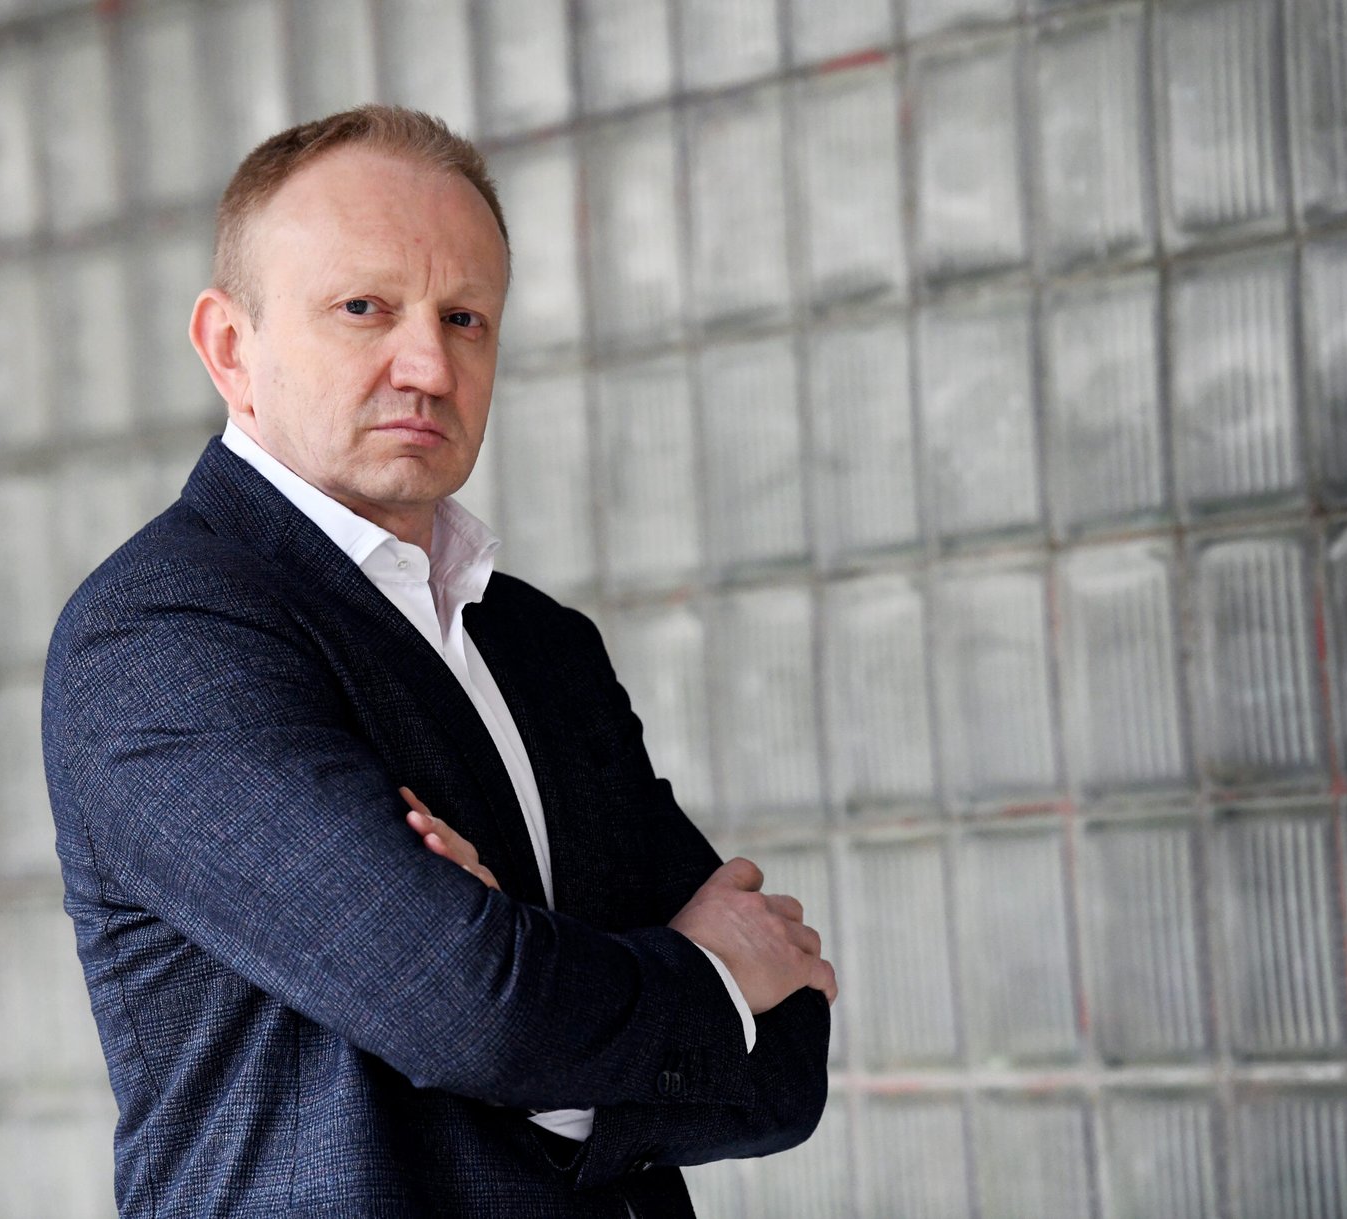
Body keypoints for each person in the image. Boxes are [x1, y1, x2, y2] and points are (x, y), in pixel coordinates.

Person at [42, 104, 834, 1218]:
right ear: (231, 347)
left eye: (465, 318)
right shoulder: (165, 632)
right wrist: (699, 978)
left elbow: (789, 1059)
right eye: (364, 308)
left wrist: (528, 986)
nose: (427, 363)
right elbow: (474, 1005)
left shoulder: (542, 645)